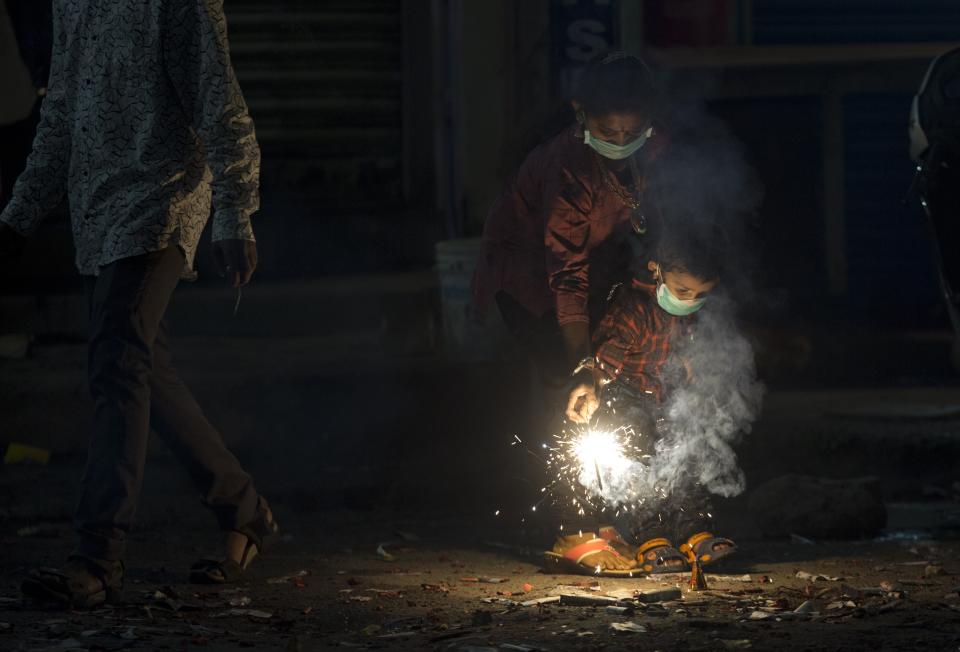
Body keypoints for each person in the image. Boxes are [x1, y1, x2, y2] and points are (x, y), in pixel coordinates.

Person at [0, 0, 277, 608]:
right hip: (98, 206)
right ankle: (243, 509)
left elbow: (220, 104)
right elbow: (62, 111)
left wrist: (235, 212)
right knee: (144, 363)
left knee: (116, 361)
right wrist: (17, 218)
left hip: (163, 199)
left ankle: (97, 557)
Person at [472, 52, 666, 392]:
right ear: (580, 111)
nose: (621, 143)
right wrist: (582, 364)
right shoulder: (567, 171)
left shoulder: (655, 149)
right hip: (533, 277)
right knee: (566, 373)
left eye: (632, 132)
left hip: (602, 263)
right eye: (607, 131)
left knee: (621, 356)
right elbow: (567, 276)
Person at [548, 229, 737, 575]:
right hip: (623, 397)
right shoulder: (633, 309)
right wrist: (592, 381)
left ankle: (693, 531)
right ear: (656, 270)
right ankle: (648, 536)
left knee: (688, 445)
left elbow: (686, 354)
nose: (690, 300)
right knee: (639, 449)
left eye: (700, 294)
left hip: (661, 395)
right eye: (682, 291)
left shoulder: (687, 314)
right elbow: (608, 356)